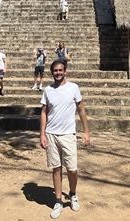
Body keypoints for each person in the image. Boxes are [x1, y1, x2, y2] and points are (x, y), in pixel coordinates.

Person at [40, 60, 90, 219]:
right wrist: (42, 134)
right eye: (55, 70)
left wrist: (86, 131)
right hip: (52, 134)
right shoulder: (48, 90)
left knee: (72, 169)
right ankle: (58, 200)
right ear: (52, 72)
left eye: (61, 70)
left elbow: (81, 110)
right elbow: (44, 113)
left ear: (65, 71)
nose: (58, 73)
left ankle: (73, 194)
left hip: (68, 134)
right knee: (56, 168)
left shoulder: (73, 88)